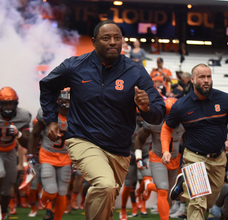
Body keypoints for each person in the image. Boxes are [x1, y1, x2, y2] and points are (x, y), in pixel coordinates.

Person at [39, 20, 165, 220]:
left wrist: (146, 108)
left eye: (117, 38)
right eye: (106, 38)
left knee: (107, 198)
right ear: (94, 42)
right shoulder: (74, 66)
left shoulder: (135, 71)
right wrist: (51, 119)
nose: (113, 42)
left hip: (120, 149)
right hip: (82, 139)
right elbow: (47, 86)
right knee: (105, 185)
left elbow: (159, 111)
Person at [162, 63, 228, 220]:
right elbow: (166, 128)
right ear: (192, 79)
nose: (206, 80)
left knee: (210, 202)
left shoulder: (225, 99)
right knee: (197, 202)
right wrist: (165, 150)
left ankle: (184, 183)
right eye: (202, 77)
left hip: (219, 158)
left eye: (209, 76)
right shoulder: (181, 105)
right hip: (194, 158)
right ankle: (187, 180)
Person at [135, 97, 185, 220]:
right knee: (163, 190)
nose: (169, 119)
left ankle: (149, 186)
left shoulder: (184, 122)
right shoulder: (155, 122)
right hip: (158, 157)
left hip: (175, 158)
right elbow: (139, 138)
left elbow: (189, 141)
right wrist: (138, 158)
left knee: (168, 192)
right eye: (167, 116)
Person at [28, 88, 72, 220]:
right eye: (65, 96)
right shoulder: (47, 113)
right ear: (58, 97)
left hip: (66, 158)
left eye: (70, 96)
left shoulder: (78, 115)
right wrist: (30, 156)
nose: (68, 99)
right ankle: (44, 196)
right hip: (48, 155)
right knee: (52, 191)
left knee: (62, 192)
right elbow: (34, 134)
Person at [0, 87, 31, 219]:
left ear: (16, 104)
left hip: (10, 152)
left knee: (7, 189)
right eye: (5, 104)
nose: (8, 107)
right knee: (0, 172)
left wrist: (18, 134)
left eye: (10, 103)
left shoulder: (23, 116)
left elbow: (26, 142)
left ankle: (4, 211)